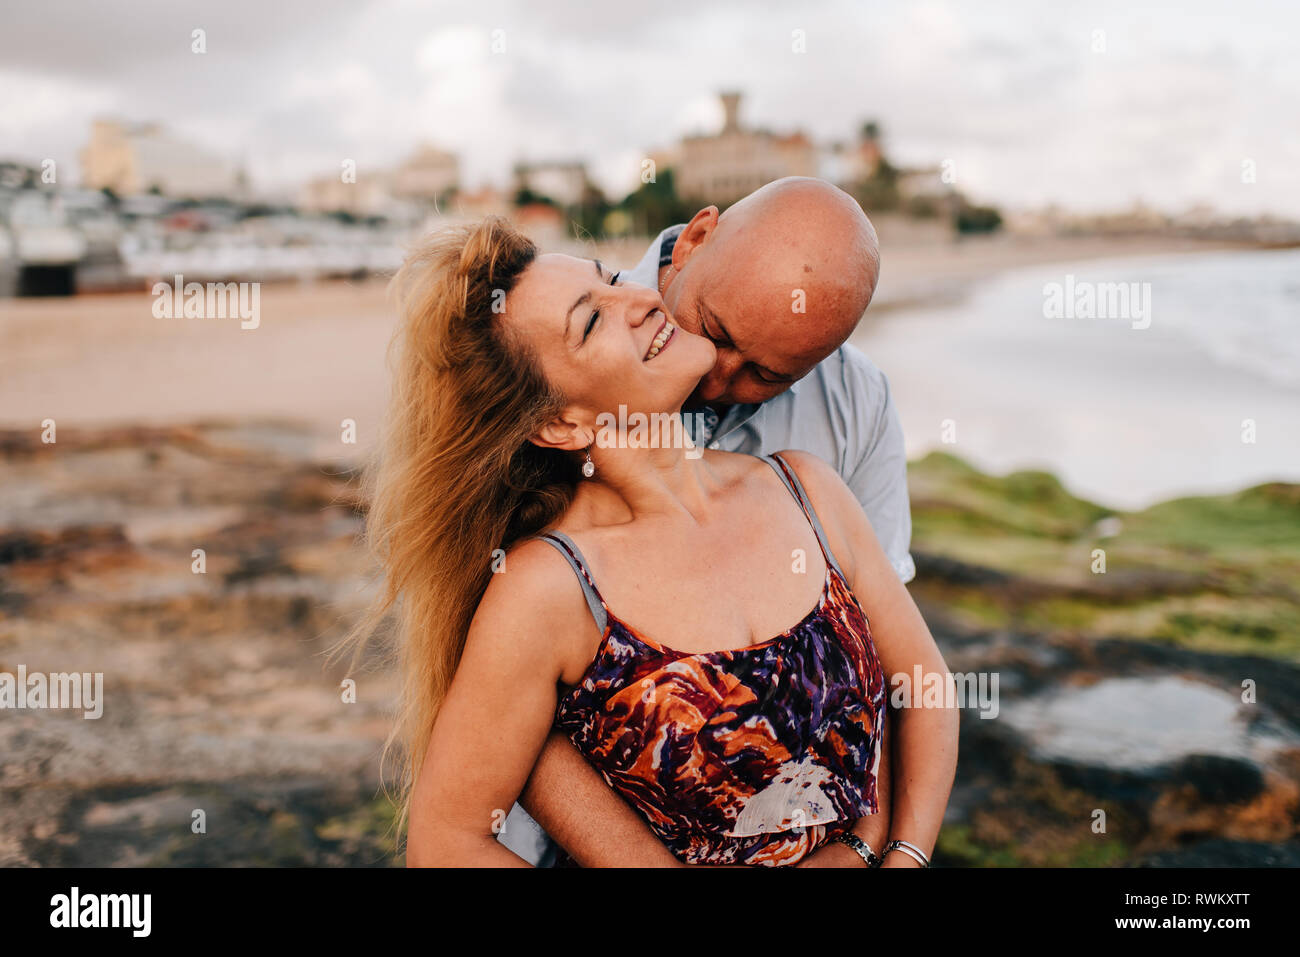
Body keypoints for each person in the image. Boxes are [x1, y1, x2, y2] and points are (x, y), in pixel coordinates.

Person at [347, 213, 957, 866]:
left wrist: (895, 852)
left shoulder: (808, 488)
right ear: (559, 423)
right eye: (591, 320)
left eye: (612, 280)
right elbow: (445, 844)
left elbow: (921, 686)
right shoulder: (548, 586)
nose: (639, 299)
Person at [506, 176, 918, 865]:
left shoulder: (853, 404)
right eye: (718, 333)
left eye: (767, 376)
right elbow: (486, 662)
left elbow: (879, 645)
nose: (719, 380)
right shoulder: (547, 345)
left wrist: (875, 836)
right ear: (695, 238)